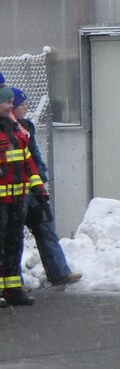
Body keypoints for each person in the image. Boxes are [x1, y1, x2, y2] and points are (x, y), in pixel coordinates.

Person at [12, 88, 81, 287]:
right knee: (13, 239)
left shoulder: (26, 127)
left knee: (45, 229)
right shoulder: (7, 130)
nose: (25, 107)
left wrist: (39, 181)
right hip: (13, 193)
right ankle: (14, 281)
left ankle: (59, 272)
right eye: (21, 104)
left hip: (31, 190)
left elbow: (34, 157)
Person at [0, 85, 34, 306]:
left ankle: (12, 289)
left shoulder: (16, 129)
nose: (10, 105)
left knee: (14, 243)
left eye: (11, 101)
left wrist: (38, 189)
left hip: (16, 198)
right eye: (6, 101)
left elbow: (27, 159)